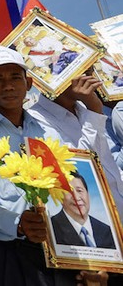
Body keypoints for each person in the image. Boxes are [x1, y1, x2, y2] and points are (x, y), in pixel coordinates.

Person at [0, 46, 69, 286]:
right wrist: (16, 223)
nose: (8, 86)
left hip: (58, 247)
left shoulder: (48, 132)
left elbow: (68, 187)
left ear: (28, 83)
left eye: (15, 77)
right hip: (7, 253)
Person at [28, 74, 123, 215]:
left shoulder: (84, 107)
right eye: (83, 68)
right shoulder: (35, 121)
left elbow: (108, 162)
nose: (90, 76)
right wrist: (94, 110)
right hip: (96, 218)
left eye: (90, 69)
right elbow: (82, 171)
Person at [50, 172, 116, 249]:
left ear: (88, 194)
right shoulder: (51, 229)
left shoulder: (107, 231)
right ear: (60, 198)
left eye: (79, 191)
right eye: (68, 191)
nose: (76, 197)